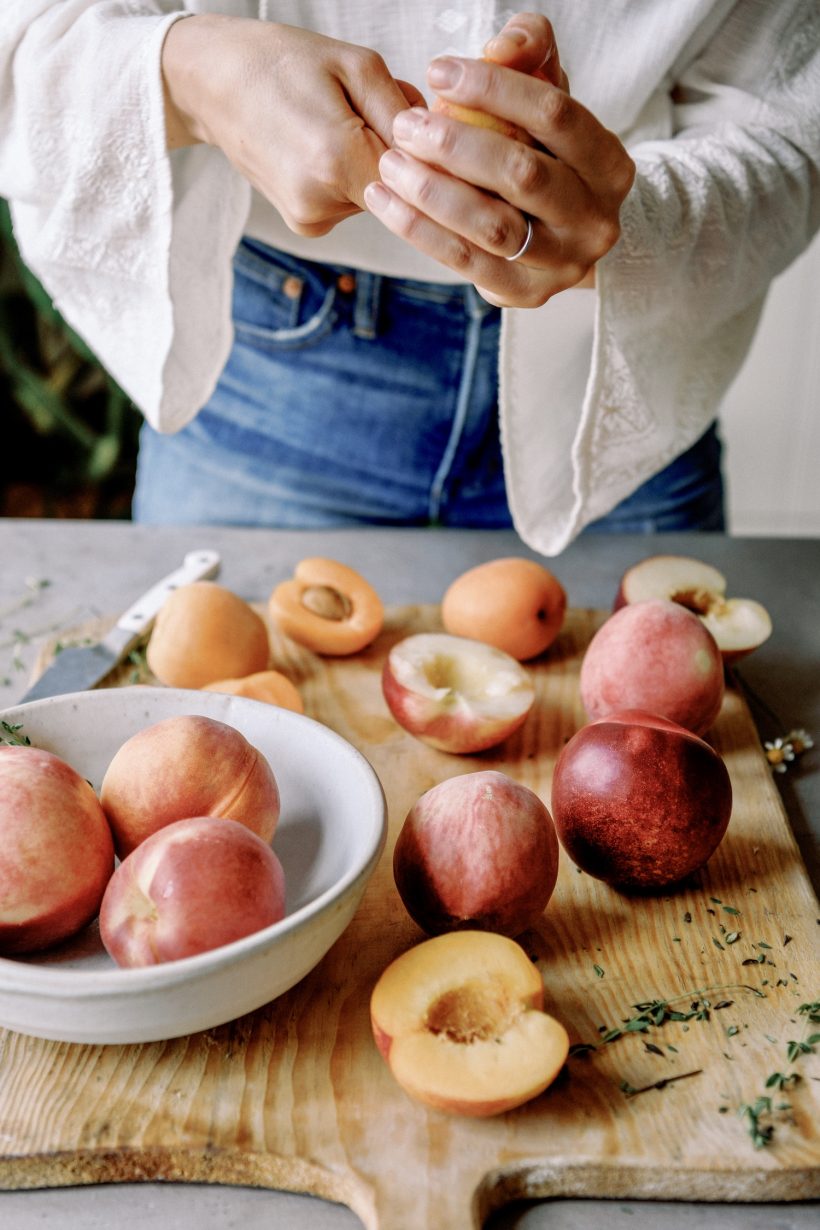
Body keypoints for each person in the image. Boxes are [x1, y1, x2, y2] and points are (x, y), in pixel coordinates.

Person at [1, 3, 818, 555]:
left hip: (614, 400)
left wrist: (636, 221)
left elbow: (791, 118)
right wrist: (189, 75)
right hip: (263, 382)